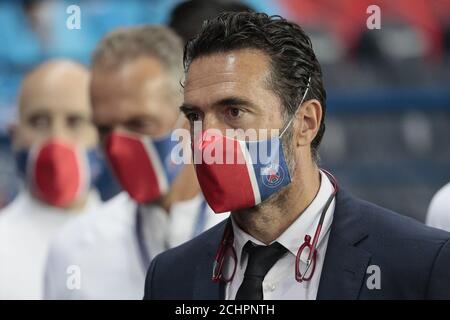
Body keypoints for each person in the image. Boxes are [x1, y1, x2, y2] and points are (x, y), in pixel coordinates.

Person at [144, 12, 450, 300]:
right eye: (195, 117)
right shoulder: (170, 278)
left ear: (306, 123)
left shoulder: (419, 264)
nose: (205, 139)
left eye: (234, 111)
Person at [44, 25, 226, 299]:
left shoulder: (252, 234)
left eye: (138, 123)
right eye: (105, 130)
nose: (118, 147)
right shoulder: (73, 248)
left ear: (191, 120)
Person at [0, 60, 103, 299]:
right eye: (39, 122)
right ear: (15, 136)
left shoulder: (135, 239)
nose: (57, 138)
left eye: (74, 122)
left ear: (100, 134)